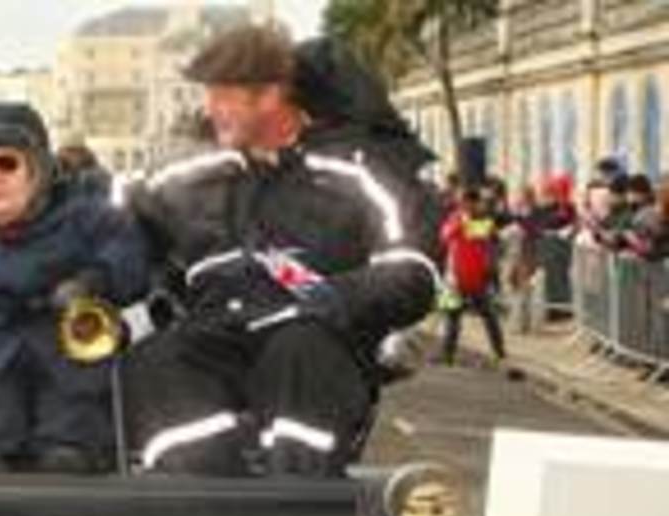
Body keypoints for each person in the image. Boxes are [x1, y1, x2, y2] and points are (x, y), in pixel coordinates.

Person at [119, 25, 440, 478]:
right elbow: (111, 229)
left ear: (270, 95)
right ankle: (201, 508)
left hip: (314, 340)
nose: (210, 110)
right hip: (218, 333)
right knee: (156, 362)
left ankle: (295, 505)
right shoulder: (195, 173)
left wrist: (336, 297)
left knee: (299, 351)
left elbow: (416, 269)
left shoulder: (362, 169)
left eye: (224, 96)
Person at [0, 101, 147, 472]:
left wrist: (91, 283)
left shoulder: (92, 220)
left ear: (37, 169)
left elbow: (131, 267)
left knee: (69, 467)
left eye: (7, 162)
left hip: (74, 392)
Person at [440, 187, 507, 363]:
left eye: (468, 203)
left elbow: (491, 237)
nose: (465, 206)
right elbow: (446, 236)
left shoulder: (483, 220)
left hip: (477, 278)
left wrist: (491, 265)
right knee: (452, 318)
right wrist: (461, 223)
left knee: (489, 316)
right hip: (455, 277)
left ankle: (499, 351)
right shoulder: (455, 218)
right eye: (462, 203)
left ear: (475, 203)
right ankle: (447, 354)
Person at [55, 131, 112, 199]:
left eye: (70, 152)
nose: (64, 156)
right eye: (61, 152)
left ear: (82, 153)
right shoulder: (62, 172)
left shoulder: (96, 175)